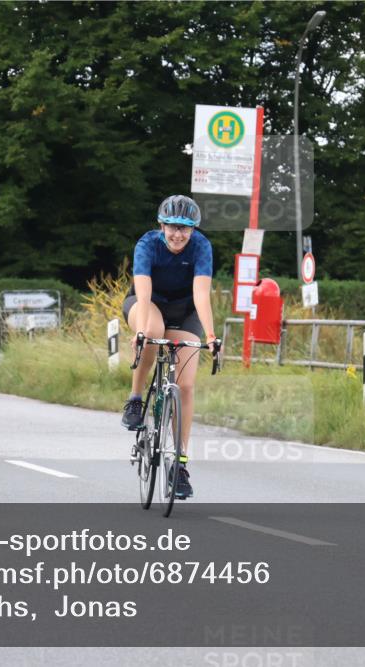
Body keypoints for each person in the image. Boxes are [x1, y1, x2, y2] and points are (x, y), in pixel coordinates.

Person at [121, 195, 219, 499]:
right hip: (147, 305)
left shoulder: (201, 246)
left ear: (193, 230)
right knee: (153, 330)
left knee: (186, 385)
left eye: (185, 229)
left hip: (184, 311)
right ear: (161, 225)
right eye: (173, 227)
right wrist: (140, 332)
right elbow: (143, 289)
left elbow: (201, 294)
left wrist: (212, 337)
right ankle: (136, 398)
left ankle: (179, 464)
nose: (178, 235)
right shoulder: (147, 244)